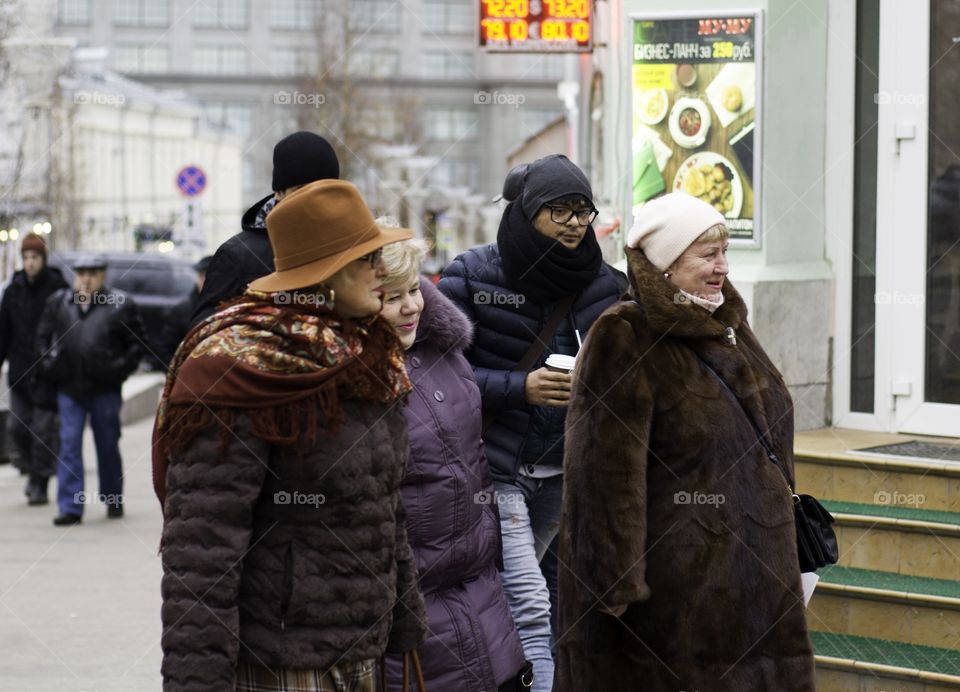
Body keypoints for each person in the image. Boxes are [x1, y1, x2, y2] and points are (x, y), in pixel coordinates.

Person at [155, 180, 426, 691]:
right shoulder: (239, 367)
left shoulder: (365, 354)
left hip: (360, 646)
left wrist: (404, 615)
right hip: (281, 661)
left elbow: (384, 505)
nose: (380, 270)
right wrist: (197, 679)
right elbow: (203, 546)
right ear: (325, 275)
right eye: (366, 259)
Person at [554, 192, 816, 690]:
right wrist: (616, 583)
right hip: (680, 590)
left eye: (724, 252)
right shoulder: (624, 335)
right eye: (707, 254)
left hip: (760, 576)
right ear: (667, 263)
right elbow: (602, 475)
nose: (722, 267)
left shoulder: (727, 324)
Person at [438, 154, 626, 691]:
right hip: (498, 471)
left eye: (582, 209)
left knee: (543, 593)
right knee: (531, 603)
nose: (572, 222)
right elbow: (440, 381)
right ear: (525, 212)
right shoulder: (472, 276)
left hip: (563, 470)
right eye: (557, 209)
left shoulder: (607, 284)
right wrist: (521, 387)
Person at [377, 234, 530, 692]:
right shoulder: (357, 380)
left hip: (479, 585)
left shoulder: (445, 354)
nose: (410, 307)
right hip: (412, 602)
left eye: (413, 290)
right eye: (390, 297)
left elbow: (472, 457)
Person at [35, 255, 146, 525]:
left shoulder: (119, 305)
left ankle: (112, 497)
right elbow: (42, 337)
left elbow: (137, 344)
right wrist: (51, 365)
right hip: (69, 387)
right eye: (81, 273)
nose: (85, 279)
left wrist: (117, 369)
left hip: (104, 389)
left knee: (107, 444)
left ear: (102, 277)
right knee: (69, 444)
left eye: (92, 273)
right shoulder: (59, 303)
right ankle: (70, 506)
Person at [190, 131, 340, 326]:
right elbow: (203, 332)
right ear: (278, 192)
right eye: (301, 190)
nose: (313, 199)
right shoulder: (238, 256)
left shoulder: (347, 247)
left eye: (323, 190)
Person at [0, 232, 68, 504]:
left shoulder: (57, 288)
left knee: (43, 431)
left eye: (35, 257)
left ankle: (40, 481)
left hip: (47, 373)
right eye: (26, 258)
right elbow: (3, 332)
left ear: (43, 259)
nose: (30, 263)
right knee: (17, 427)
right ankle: (30, 470)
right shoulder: (13, 290)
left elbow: (67, 328)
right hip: (19, 372)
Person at [155, 255, 212, 367]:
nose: (204, 281)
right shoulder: (182, 310)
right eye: (201, 276)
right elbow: (165, 348)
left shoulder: (229, 308)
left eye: (208, 276)